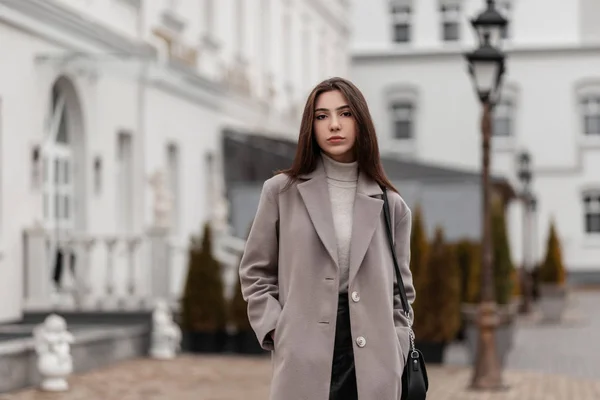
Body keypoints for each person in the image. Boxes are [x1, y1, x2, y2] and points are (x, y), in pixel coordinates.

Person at [238, 77, 416, 400]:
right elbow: (254, 273)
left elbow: (401, 295)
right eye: (322, 116)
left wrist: (397, 347)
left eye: (344, 114)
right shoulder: (280, 193)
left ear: (361, 121)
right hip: (302, 357)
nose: (334, 125)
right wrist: (278, 330)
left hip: (374, 363)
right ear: (311, 125)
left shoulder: (392, 206)